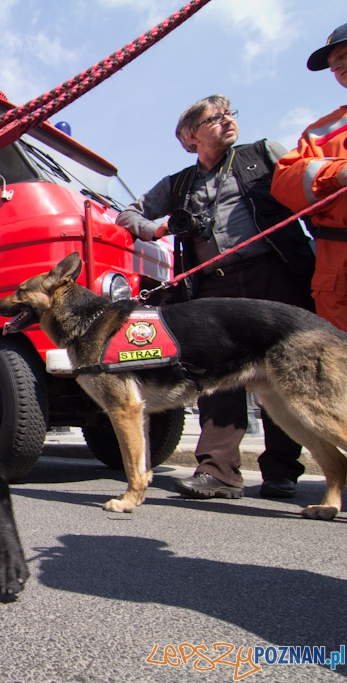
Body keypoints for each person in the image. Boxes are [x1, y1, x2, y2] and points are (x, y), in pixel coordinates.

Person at [116, 95, 316, 501]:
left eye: (229, 114)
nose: (227, 121)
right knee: (215, 379)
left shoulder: (263, 153)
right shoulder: (178, 183)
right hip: (215, 286)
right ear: (190, 137)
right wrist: (159, 229)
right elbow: (128, 213)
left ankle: (280, 472)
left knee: (285, 374)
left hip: (275, 273)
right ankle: (218, 471)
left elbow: (310, 188)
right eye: (215, 118)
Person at [272, 21, 347, 333]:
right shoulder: (319, 131)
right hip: (337, 263)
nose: (338, 67)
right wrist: (337, 173)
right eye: (333, 64)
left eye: (344, 56)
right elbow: (284, 182)